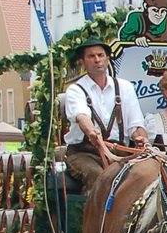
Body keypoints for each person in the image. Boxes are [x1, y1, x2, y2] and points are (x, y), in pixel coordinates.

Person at [59, 39, 157, 190]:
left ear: (107, 58)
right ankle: (98, 213)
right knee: (99, 177)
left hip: (119, 151)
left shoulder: (125, 88)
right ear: (83, 62)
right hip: (85, 153)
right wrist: (92, 133)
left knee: (144, 176)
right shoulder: (76, 90)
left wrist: (141, 138)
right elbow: (81, 116)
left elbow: (135, 123)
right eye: (91, 56)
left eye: (100, 55)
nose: (97, 60)